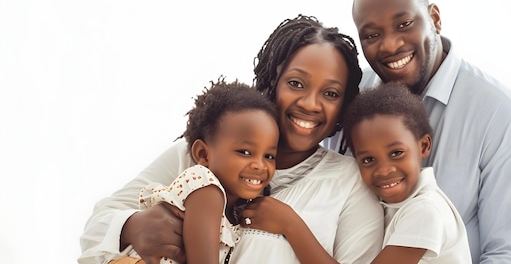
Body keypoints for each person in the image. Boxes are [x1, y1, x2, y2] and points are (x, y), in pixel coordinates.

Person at [78, 14, 384, 264]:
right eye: (296, 83)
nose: (310, 103)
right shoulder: (201, 153)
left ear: (343, 106)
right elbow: (98, 224)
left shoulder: (351, 184)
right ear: (272, 82)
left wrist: (292, 226)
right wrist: (131, 227)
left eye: (330, 94)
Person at [324, 0, 511, 263]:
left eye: (404, 23)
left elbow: (508, 253)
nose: (389, 45)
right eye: (372, 35)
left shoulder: (500, 115)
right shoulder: (349, 97)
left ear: (435, 18)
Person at [122, 78, 280, 264]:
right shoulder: (205, 187)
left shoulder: (234, 209)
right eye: (245, 152)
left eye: (269, 156)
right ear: (203, 154)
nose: (260, 165)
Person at [342, 81, 472, 263]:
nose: (384, 170)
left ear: (424, 146)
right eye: (368, 160)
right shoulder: (388, 205)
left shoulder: (425, 210)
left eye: (396, 153)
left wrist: (294, 227)